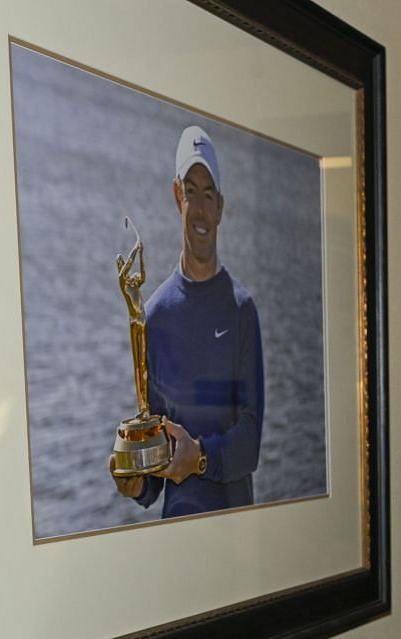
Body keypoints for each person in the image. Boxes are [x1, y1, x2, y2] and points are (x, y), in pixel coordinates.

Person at [114, 124, 265, 515]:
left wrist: (199, 457)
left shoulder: (241, 310)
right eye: (191, 192)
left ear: (221, 207)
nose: (199, 209)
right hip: (177, 539)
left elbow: (250, 443)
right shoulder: (157, 316)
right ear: (177, 195)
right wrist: (135, 482)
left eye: (208, 194)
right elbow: (155, 451)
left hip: (236, 532)